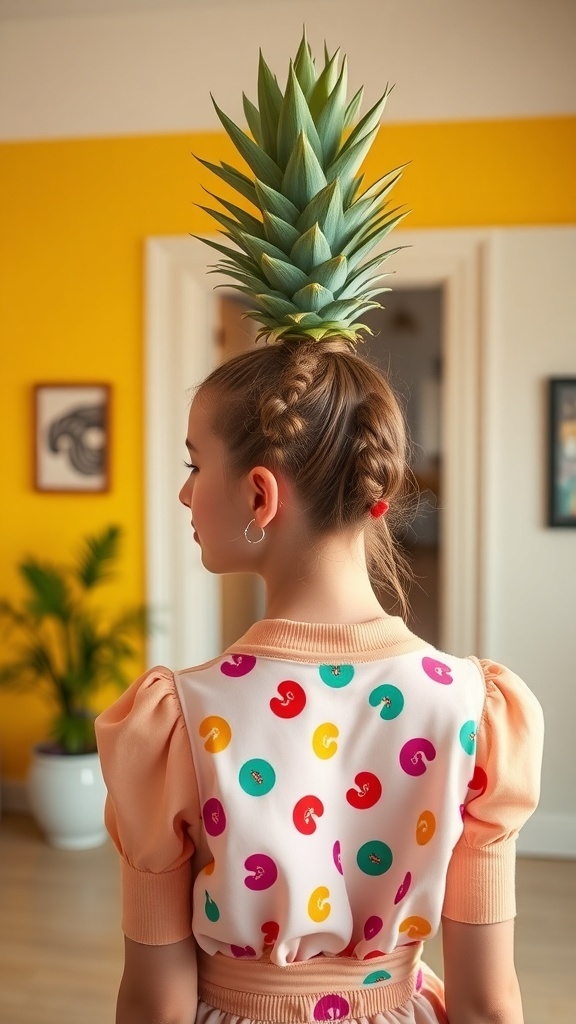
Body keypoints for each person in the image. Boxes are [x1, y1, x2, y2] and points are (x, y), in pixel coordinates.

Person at [95, 33, 544, 1024]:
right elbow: (487, 998)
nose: (182, 496)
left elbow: (157, 1003)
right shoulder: (475, 708)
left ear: (259, 496)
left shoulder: (176, 721)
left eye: (191, 465)